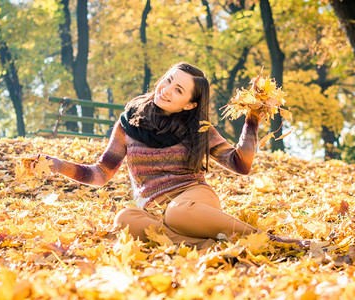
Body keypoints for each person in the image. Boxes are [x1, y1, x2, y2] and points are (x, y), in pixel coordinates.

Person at [31, 62, 310, 250]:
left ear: (190, 103)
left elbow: (240, 164)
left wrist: (251, 121)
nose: (166, 90)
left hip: (193, 197)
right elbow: (100, 174)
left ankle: (268, 240)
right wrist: (56, 165)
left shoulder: (198, 128)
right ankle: (207, 246)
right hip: (155, 210)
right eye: (167, 81)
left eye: (178, 90)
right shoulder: (129, 124)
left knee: (178, 212)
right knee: (124, 220)